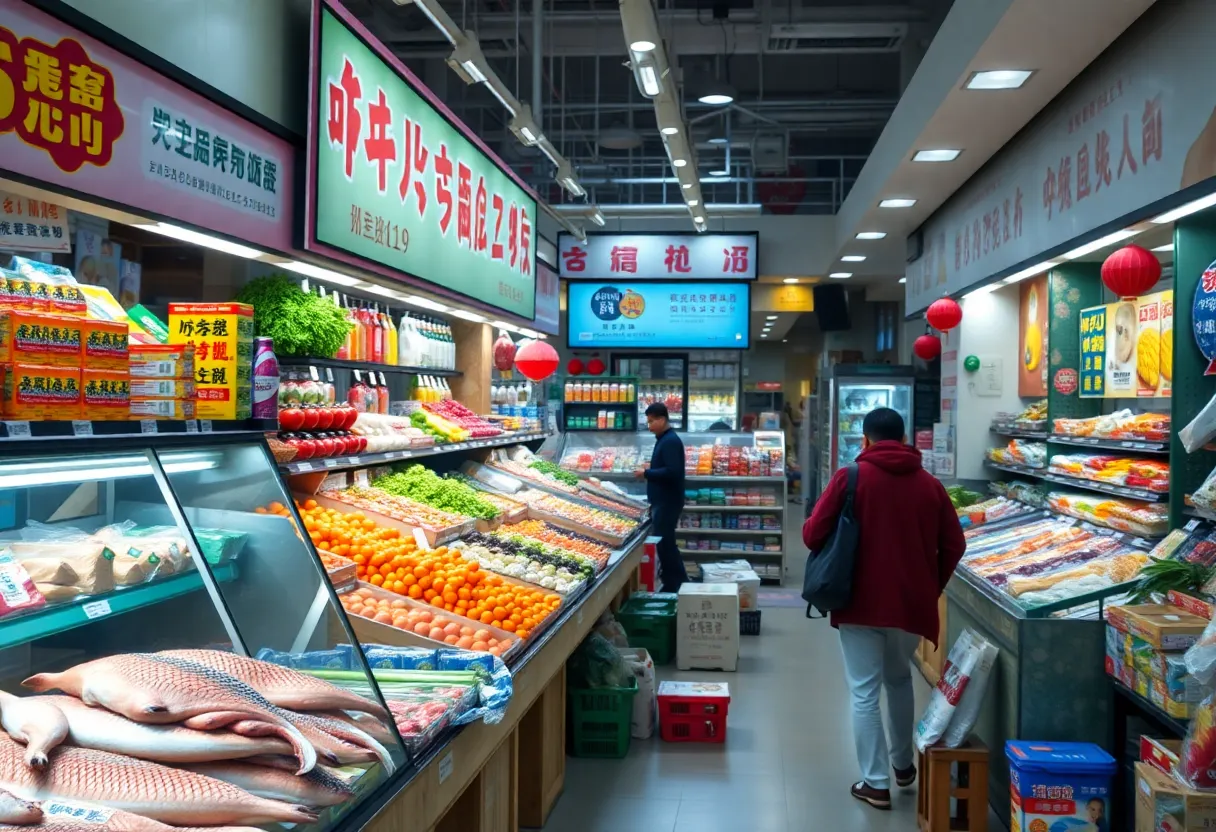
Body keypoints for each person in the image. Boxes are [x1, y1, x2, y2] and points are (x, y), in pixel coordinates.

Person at [801, 407, 966, 811]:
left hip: (858, 601)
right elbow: (955, 544)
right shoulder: (929, 485)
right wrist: (931, 585)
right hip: (910, 602)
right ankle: (903, 765)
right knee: (898, 679)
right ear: (905, 437)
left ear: (865, 439)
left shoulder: (851, 476)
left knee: (863, 691)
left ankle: (876, 783)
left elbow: (811, 534)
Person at [637, 402, 689, 592]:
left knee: (666, 543)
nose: (649, 425)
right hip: (663, 500)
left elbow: (673, 471)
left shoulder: (670, 441)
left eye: (651, 421)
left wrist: (647, 473)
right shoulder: (664, 439)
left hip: (667, 501)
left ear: (662, 419)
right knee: (665, 543)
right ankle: (675, 581)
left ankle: (676, 584)